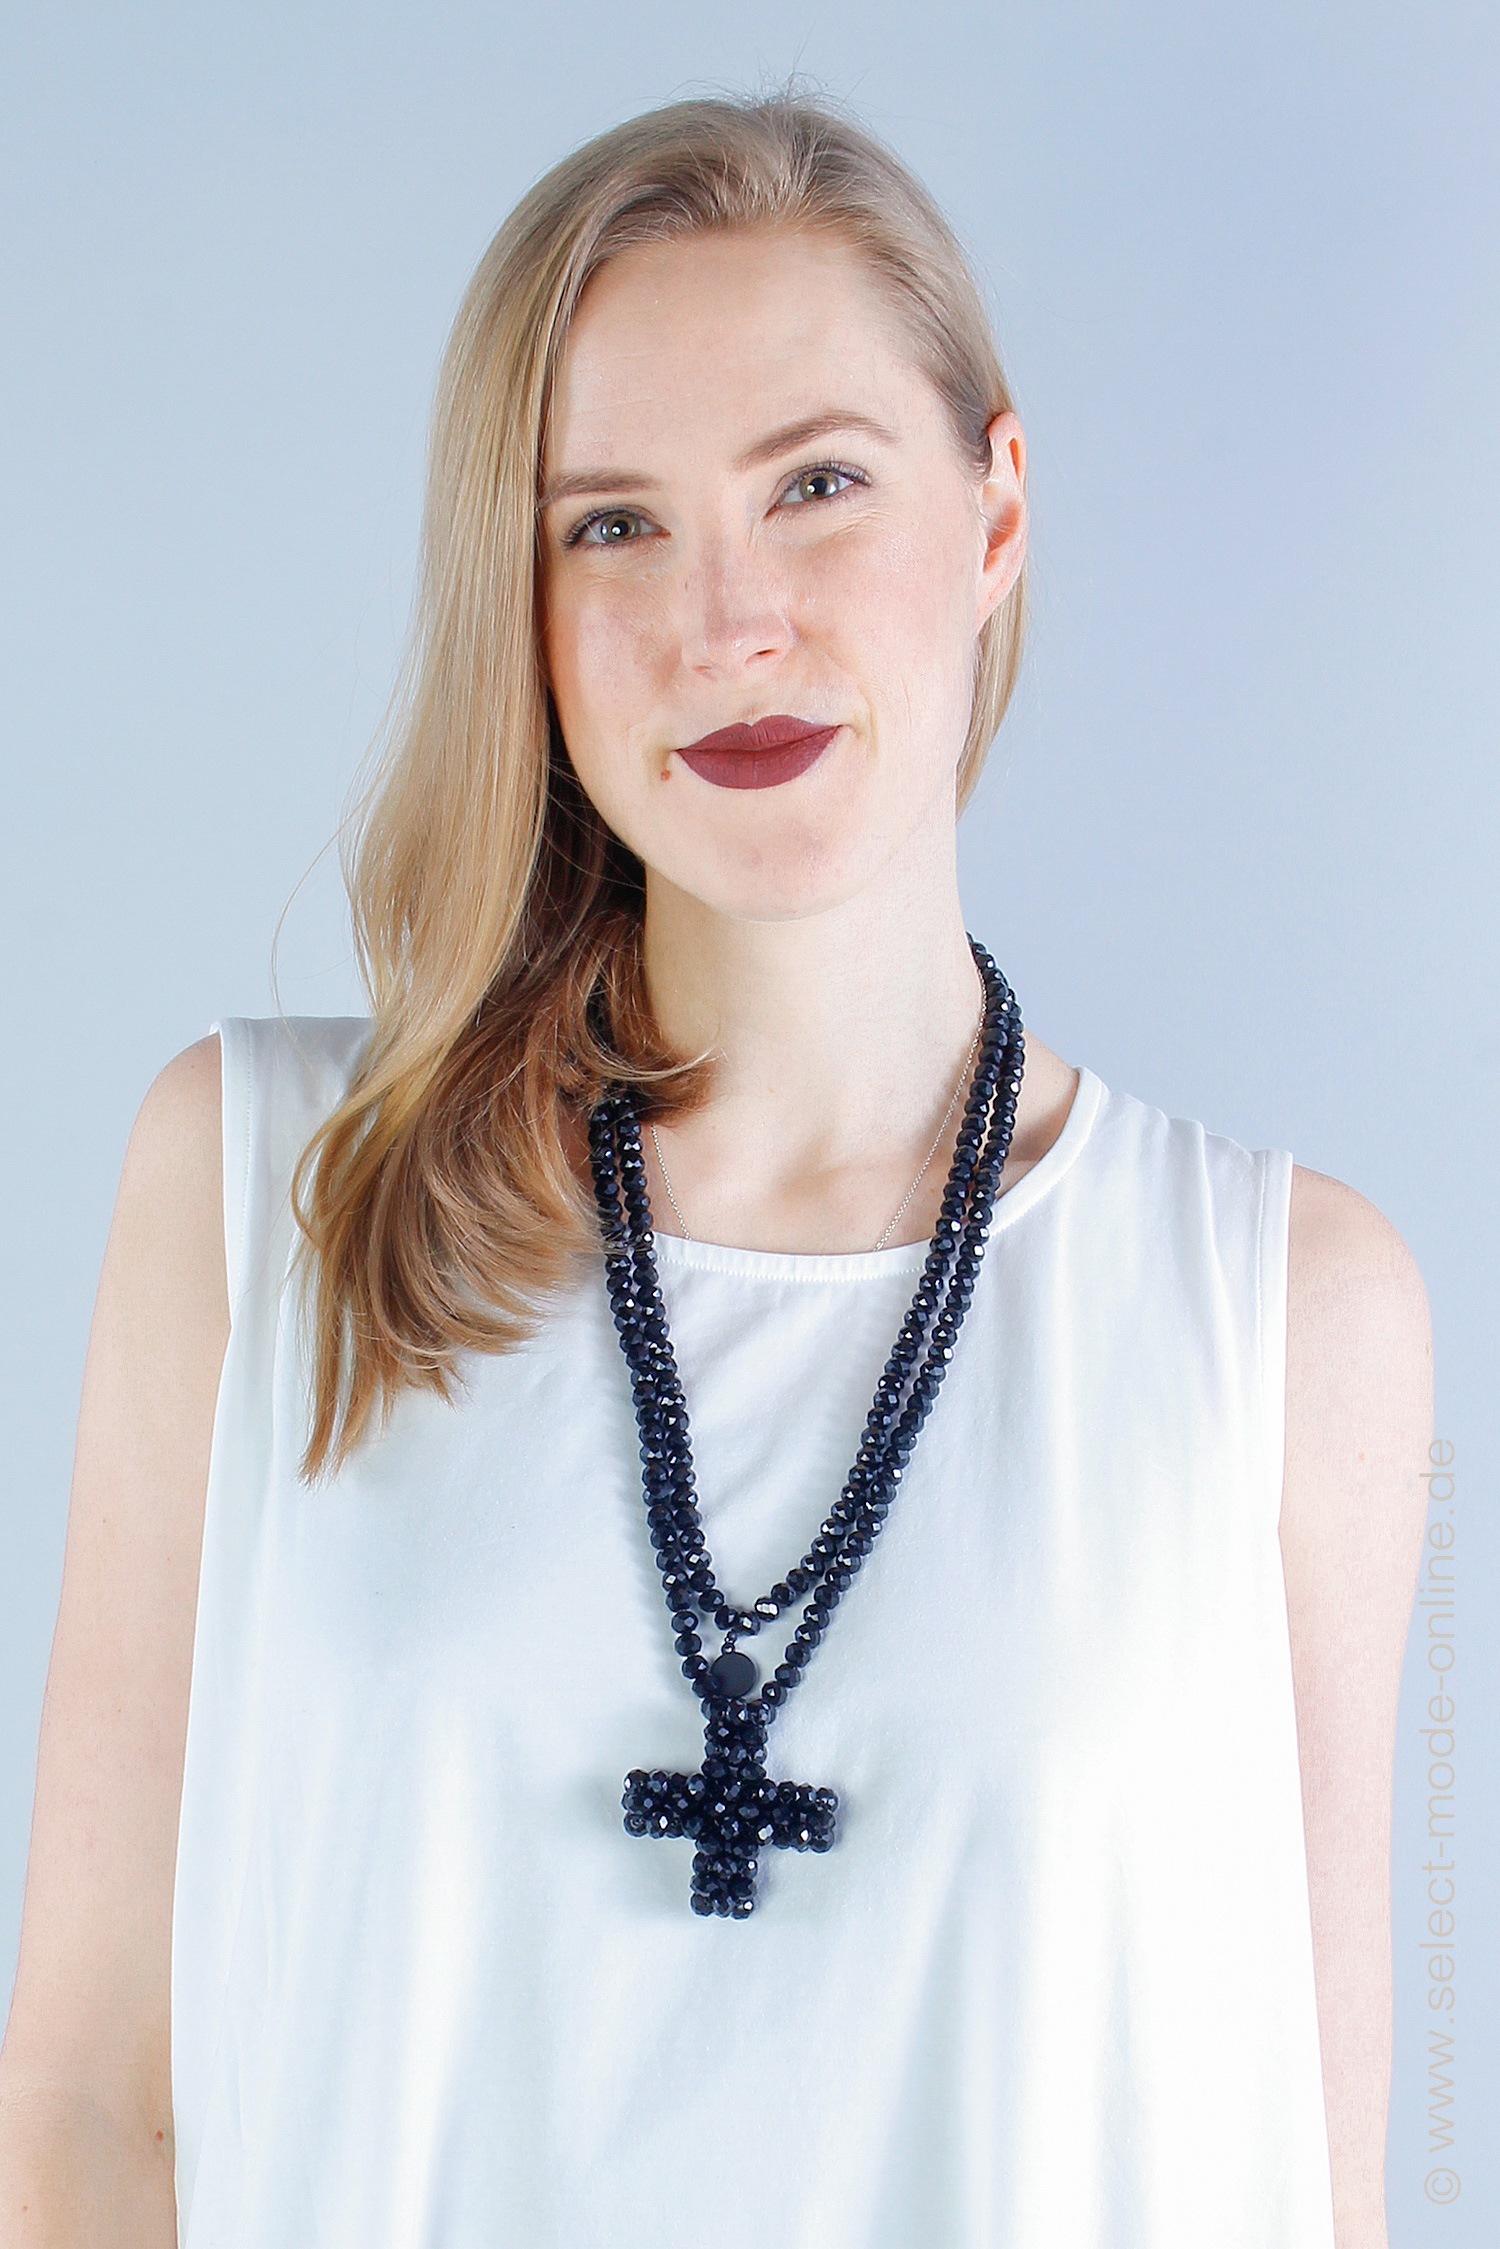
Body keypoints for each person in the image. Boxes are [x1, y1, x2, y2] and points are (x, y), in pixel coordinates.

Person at [0, 90, 1431, 2249]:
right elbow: (89, 2110)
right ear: (522, 600)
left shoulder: (1282, 1314)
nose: (728, 619)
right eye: (613, 526)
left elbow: (1313, 2192)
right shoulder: (266, 1196)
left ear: (996, 511)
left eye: (818, 485)